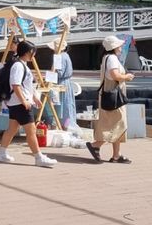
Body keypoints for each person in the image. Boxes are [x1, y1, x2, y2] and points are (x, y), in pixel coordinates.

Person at [0, 41, 57, 167]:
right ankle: (38, 157)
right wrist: (24, 101)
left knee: (12, 129)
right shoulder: (19, 66)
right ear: (29, 52)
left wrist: (34, 98)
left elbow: (25, 86)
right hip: (20, 103)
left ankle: (1, 153)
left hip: (16, 102)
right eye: (33, 52)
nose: (34, 54)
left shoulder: (20, 64)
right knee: (31, 130)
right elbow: (16, 85)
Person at [86, 36, 134, 164]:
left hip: (109, 96)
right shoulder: (112, 59)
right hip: (114, 98)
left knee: (115, 124)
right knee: (118, 124)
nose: (120, 47)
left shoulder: (106, 58)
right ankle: (96, 145)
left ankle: (116, 155)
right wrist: (127, 77)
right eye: (119, 45)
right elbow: (115, 76)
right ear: (113, 47)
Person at [47, 39, 80, 131]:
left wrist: (49, 75)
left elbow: (59, 73)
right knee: (68, 106)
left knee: (62, 106)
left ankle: (65, 126)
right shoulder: (66, 55)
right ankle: (67, 126)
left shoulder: (59, 57)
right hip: (67, 83)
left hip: (61, 83)